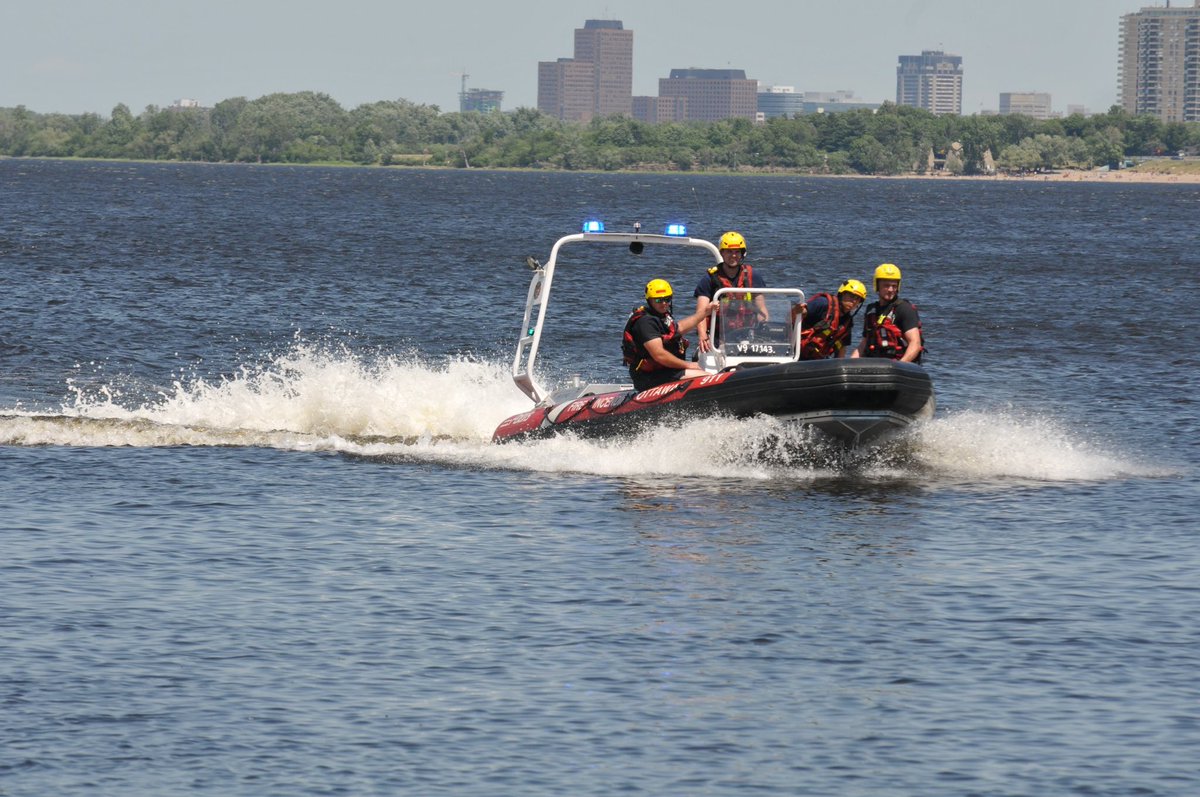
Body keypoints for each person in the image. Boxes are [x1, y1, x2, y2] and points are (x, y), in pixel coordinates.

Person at [622, 279, 709, 391]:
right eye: (658, 300)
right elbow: (659, 355)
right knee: (705, 377)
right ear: (650, 300)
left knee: (706, 373)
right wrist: (688, 365)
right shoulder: (645, 322)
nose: (664, 303)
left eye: (667, 299)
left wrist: (705, 312)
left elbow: (679, 328)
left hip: (666, 371)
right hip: (648, 377)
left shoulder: (663, 317)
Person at [693, 231, 768, 352]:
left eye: (737, 252)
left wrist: (764, 329)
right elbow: (701, 313)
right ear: (722, 253)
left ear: (742, 254)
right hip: (717, 337)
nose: (733, 255)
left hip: (747, 334)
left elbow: (762, 310)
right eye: (729, 252)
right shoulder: (709, 279)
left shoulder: (753, 276)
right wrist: (703, 337)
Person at [851, 263, 924, 363]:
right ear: (877, 285)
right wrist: (850, 363)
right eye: (886, 286)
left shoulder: (904, 309)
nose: (890, 290)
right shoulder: (871, 310)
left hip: (897, 366)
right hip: (874, 364)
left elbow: (915, 343)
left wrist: (900, 366)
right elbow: (864, 344)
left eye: (894, 286)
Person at [790, 279, 867, 359]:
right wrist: (798, 310)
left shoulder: (847, 323)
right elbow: (799, 313)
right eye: (851, 296)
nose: (854, 301)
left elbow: (842, 349)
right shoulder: (823, 303)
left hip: (818, 360)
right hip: (797, 353)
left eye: (858, 299)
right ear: (842, 294)